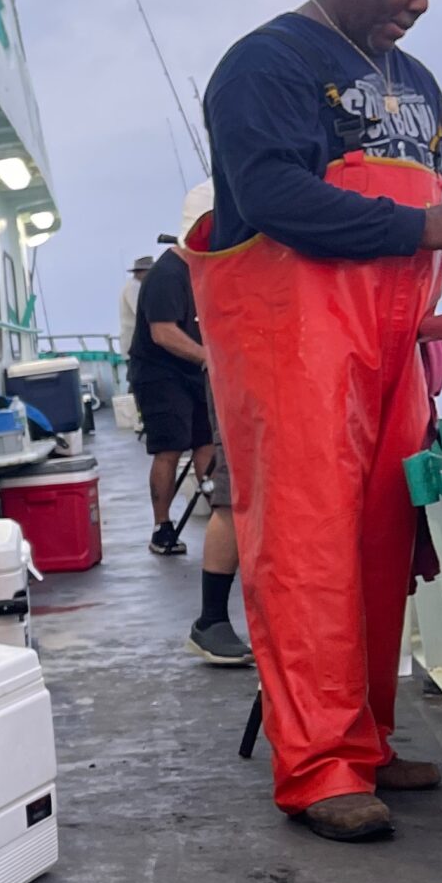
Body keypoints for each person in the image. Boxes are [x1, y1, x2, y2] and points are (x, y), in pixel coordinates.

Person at [195, 0, 442, 841]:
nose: (420, 2)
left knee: (384, 542)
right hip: (293, 341)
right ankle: (318, 766)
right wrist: (421, 224)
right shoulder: (267, 63)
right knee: (305, 547)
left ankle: (368, 739)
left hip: (394, 343)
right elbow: (272, 197)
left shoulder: (416, 81)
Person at [164, 184, 251, 664]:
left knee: (240, 496)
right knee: (234, 497)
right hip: (237, 377)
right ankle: (211, 619)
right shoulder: (200, 269)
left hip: (247, 375)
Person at [128, 232, 213, 553]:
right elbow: (162, 332)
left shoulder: (199, 272)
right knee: (170, 448)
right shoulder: (167, 274)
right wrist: (208, 357)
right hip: (159, 374)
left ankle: (221, 514)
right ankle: (161, 526)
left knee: (206, 443)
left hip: (194, 373)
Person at [115, 252, 153, 356]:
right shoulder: (134, 287)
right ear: (141, 272)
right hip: (135, 344)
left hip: (136, 344)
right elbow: (141, 311)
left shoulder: (136, 286)